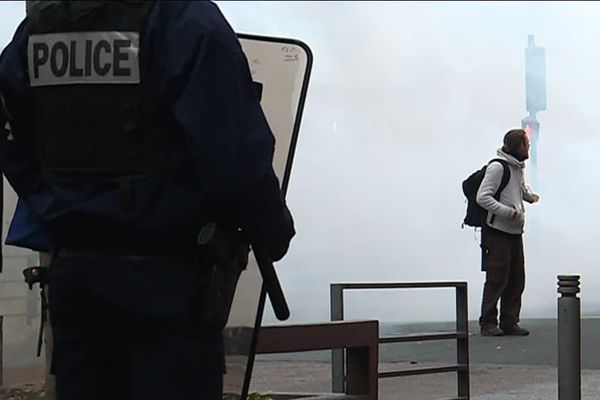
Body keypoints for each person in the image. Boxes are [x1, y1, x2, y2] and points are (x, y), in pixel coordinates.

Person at [0, 1, 295, 399]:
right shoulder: (185, 20)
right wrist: (271, 228)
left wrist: (53, 200)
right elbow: (234, 153)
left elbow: (11, 134)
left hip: (77, 274)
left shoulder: (41, 27)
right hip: (167, 281)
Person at [476, 129, 539, 337]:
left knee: (516, 278)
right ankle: (488, 322)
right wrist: (507, 213)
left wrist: (528, 197)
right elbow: (482, 197)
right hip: (498, 231)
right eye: (525, 144)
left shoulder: (517, 167)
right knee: (497, 277)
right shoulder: (497, 167)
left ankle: (509, 321)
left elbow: (516, 189)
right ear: (516, 146)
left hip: (514, 231)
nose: (528, 147)